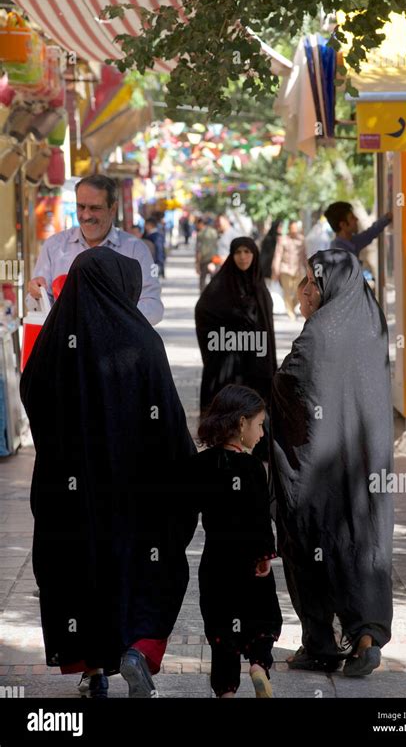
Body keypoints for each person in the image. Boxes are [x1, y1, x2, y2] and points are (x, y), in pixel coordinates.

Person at [20, 247, 196, 698]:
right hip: (136, 494)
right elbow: (171, 425)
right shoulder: (142, 342)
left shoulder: (55, 342)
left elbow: (33, 394)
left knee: (77, 575)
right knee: (146, 567)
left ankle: (92, 669)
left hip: (70, 495)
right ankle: (137, 648)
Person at [270, 249, 394, 676]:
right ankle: (365, 635)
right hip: (365, 461)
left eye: (312, 282)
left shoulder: (318, 334)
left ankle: (320, 643)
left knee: (310, 540)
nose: (304, 290)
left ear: (329, 288)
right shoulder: (369, 320)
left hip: (318, 464)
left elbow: (287, 384)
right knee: (365, 544)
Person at [185, 385, 282, 698]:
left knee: (222, 632)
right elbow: (260, 518)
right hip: (251, 566)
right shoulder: (253, 468)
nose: (263, 433)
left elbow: (186, 507)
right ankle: (258, 666)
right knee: (262, 619)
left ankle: (226, 691)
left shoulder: (202, 465)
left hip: (216, 565)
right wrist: (264, 555)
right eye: (259, 425)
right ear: (241, 424)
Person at [26, 174, 163, 326]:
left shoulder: (135, 249)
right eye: (81, 207)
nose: (86, 215)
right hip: (66, 347)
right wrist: (36, 294)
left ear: (113, 209)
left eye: (95, 208)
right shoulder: (54, 246)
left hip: (117, 345)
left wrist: (110, 320)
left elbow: (154, 307)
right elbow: (39, 307)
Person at [195, 237, 277, 459]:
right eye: (238, 252)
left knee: (258, 415)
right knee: (229, 418)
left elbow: (267, 333)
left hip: (256, 365)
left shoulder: (260, 289)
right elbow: (204, 313)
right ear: (232, 255)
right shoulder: (220, 287)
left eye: (247, 252)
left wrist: (269, 365)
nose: (243, 257)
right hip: (227, 365)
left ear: (254, 255)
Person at [326, 201, 392, 260]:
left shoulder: (351, 241)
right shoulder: (338, 253)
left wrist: (386, 218)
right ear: (343, 225)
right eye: (352, 217)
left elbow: (369, 234)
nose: (356, 219)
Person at [271, 220, 307, 320]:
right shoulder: (283, 240)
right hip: (285, 269)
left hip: (298, 270)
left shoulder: (301, 240)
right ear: (289, 229)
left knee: (299, 291)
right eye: (293, 228)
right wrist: (275, 270)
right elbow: (278, 256)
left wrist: (308, 269)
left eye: (296, 228)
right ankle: (290, 312)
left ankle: (292, 306)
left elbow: (304, 256)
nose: (294, 230)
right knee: (287, 292)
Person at [195, 216, 218, 292]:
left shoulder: (200, 234)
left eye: (197, 224)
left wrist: (197, 264)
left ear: (201, 223)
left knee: (202, 279)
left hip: (204, 259)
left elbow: (198, 250)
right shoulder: (214, 232)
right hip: (215, 259)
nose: (196, 226)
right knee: (214, 278)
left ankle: (203, 297)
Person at [144, 214, 166, 278]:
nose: (144, 226)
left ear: (150, 225)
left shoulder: (156, 236)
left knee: (154, 282)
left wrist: (159, 263)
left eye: (146, 224)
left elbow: (159, 250)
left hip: (154, 263)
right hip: (152, 263)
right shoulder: (151, 235)